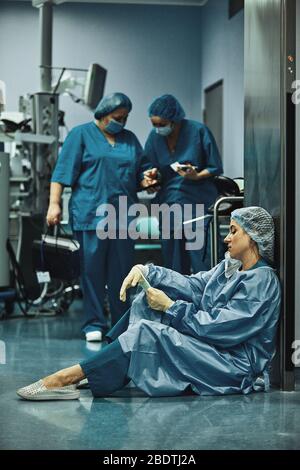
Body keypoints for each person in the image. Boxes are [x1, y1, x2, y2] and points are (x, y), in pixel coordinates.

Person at [17, 207, 281, 400]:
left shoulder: (261, 281)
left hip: (232, 364)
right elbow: (195, 285)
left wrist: (170, 307)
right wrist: (149, 272)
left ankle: (68, 377)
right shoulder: (231, 267)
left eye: (234, 231)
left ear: (253, 238)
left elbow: (220, 329)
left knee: (147, 332)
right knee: (145, 302)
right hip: (214, 345)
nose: (226, 238)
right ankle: (101, 364)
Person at [47, 92, 155, 342]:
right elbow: (61, 173)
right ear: (104, 115)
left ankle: (121, 324)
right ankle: (93, 323)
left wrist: (147, 179)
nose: (122, 122)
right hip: (90, 214)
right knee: (92, 272)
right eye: (118, 117)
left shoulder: (129, 140)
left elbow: (140, 172)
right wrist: (54, 204)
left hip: (123, 217)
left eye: (126, 117)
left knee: (122, 274)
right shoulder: (80, 135)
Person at [143, 94, 223, 274]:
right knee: (173, 266)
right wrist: (152, 176)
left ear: (174, 120)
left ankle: (207, 301)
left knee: (204, 263)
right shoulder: (154, 138)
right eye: (154, 125)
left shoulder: (198, 131)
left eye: (161, 124)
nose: (157, 129)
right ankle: (176, 302)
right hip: (169, 207)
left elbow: (215, 167)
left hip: (198, 206)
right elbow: (148, 165)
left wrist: (197, 176)